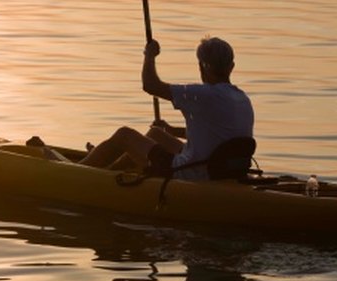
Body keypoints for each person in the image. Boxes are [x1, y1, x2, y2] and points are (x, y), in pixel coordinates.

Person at [79, 36, 254, 180]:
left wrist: (149, 55)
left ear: (202, 67)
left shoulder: (203, 94)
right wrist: (171, 130)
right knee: (156, 133)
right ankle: (111, 172)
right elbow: (216, 134)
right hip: (219, 167)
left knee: (124, 135)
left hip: (193, 172)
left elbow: (150, 85)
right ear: (231, 67)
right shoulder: (242, 98)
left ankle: (78, 172)